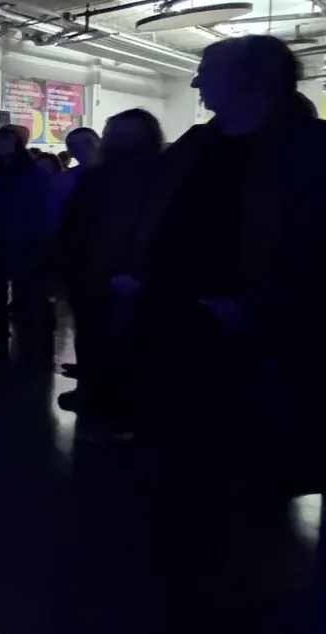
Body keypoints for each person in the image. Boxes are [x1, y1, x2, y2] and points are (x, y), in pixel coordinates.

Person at [124, 35, 326, 502]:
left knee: (250, 474)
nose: (197, 82)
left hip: (271, 336)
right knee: (185, 458)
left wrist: (259, 303)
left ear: (251, 79)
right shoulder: (196, 145)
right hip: (178, 325)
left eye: (208, 70)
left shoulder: (310, 150)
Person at [56, 110, 163, 430]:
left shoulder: (157, 178)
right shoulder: (100, 178)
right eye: (117, 134)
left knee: (122, 347)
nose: (120, 140)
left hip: (129, 279)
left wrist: (136, 272)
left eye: (127, 135)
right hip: (93, 276)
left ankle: (115, 411)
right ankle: (96, 399)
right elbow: (74, 228)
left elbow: (162, 232)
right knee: (93, 340)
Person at [0, 124, 52, 375]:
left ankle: (25, 352)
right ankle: (4, 349)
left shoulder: (34, 174)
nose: (0, 143)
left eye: (6, 139)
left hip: (24, 245)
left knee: (25, 302)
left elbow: (42, 210)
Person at [47, 127, 100, 232]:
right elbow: (53, 217)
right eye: (74, 145)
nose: (82, 148)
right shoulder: (63, 180)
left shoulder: (121, 175)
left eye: (87, 142)